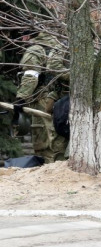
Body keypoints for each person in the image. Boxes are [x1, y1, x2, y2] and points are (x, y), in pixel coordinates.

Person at [12, 32, 69, 163]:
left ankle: (50, 171)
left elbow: (31, 75)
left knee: (45, 142)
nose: (22, 39)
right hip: (64, 101)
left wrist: (21, 99)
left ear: (28, 35)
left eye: (22, 36)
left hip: (43, 100)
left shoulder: (35, 50)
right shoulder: (60, 47)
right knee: (60, 139)